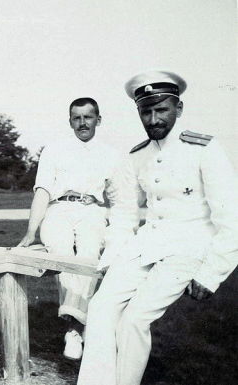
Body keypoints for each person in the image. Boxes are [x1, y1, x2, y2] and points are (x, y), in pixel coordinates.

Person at [77, 71, 238, 385]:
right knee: (99, 308)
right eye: (145, 111)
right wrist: (112, 258)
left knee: (134, 321)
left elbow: (230, 217)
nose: (153, 118)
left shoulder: (204, 148)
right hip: (145, 246)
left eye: (161, 109)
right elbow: (124, 213)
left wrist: (212, 273)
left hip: (189, 249)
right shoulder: (137, 155)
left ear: (178, 108)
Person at [17, 97, 120, 359]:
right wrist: (31, 231)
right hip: (59, 210)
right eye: (77, 117)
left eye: (88, 117)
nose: (82, 122)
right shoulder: (54, 149)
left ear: (98, 119)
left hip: (92, 210)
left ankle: (73, 329)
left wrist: (119, 231)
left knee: (87, 256)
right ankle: (78, 328)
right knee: (62, 254)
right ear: (70, 121)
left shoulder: (111, 153)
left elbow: (119, 198)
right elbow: (43, 191)